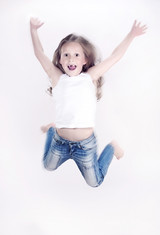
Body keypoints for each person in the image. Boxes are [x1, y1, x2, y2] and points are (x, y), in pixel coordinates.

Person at [30, 18, 147, 187]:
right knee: (48, 166)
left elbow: (116, 56)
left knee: (95, 182)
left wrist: (131, 35)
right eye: (66, 55)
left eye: (76, 55)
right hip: (60, 142)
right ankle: (51, 130)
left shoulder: (89, 77)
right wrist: (33, 30)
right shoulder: (57, 78)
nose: (71, 59)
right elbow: (39, 54)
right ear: (60, 60)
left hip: (84, 145)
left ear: (85, 60)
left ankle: (112, 147)